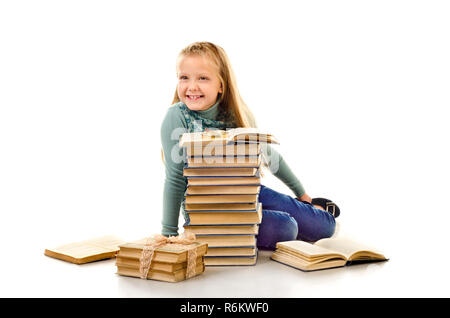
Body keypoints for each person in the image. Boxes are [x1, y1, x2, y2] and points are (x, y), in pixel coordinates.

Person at [160, 41, 338, 250]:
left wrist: (303, 195)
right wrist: (169, 234)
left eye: (203, 78)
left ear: (221, 85)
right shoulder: (177, 117)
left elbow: (270, 157)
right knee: (286, 227)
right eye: (184, 78)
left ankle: (308, 208)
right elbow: (174, 180)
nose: (191, 87)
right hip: (209, 212)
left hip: (249, 193)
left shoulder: (237, 115)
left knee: (325, 226)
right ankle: (292, 217)